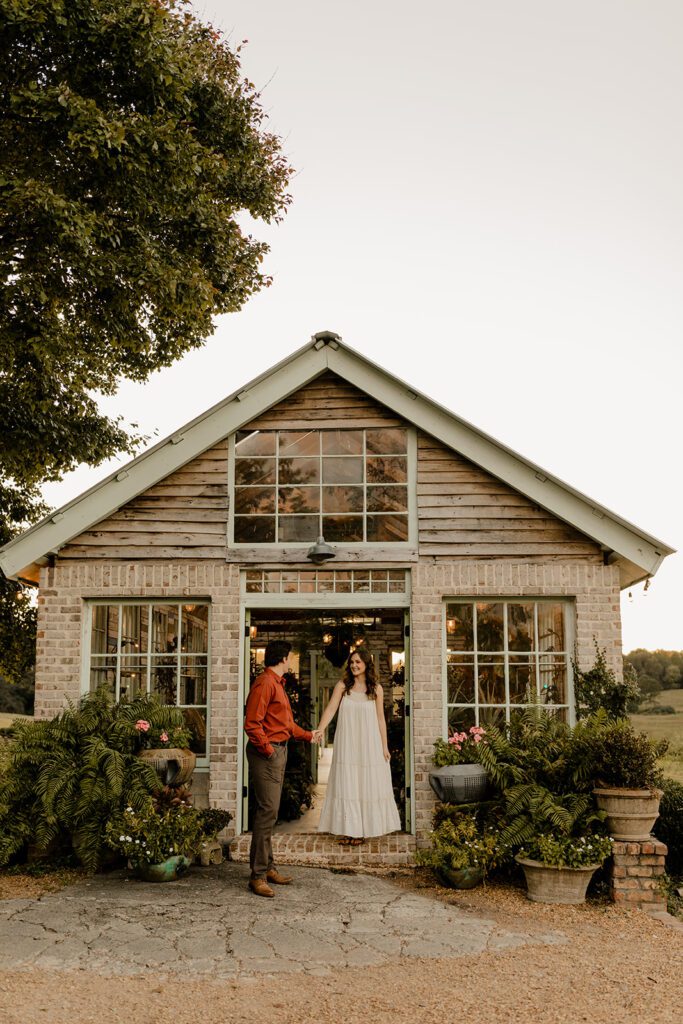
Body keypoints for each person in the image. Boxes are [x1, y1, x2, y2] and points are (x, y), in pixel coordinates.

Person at [244, 639, 318, 897]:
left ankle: (268, 867)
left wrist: (309, 735)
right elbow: (252, 724)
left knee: (269, 812)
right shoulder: (265, 684)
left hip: (278, 750)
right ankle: (258, 875)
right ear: (283, 658)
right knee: (267, 812)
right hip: (268, 753)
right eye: (290, 656)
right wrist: (268, 750)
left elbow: (285, 725)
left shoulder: (277, 684)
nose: (291, 660)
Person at [314, 647, 401, 845]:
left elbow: (381, 720)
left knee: (365, 784)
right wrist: (320, 729)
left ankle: (361, 831)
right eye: (352, 662)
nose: (354, 665)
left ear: (366, 664)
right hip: (348, 743)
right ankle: (348, 830)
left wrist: (384, 747)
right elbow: (331, 709)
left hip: (369, 744)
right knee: (348, 784)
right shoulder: (342, 686)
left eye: (358, 662)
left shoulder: (376, 689)